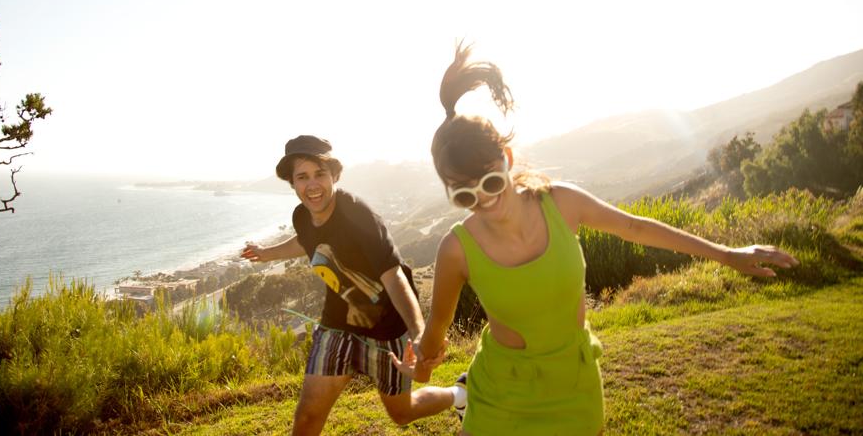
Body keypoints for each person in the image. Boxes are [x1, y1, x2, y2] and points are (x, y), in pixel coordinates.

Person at [391, 44, 799, 436]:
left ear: (508, 160)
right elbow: (437, 332)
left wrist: (727, 254)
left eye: (491, 178)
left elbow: (638, 228)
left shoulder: (561, 203)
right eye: (463, 194)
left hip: (575, 383)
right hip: (502, 389)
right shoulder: (457, 248)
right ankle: (466, 398)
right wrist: (422, 366)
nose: (482, 197)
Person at [240, 135, 465, 435]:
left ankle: (460, 395)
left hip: (387, 330)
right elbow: (305, 240)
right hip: (337, 325)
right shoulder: (302, 217)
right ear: (292, 183)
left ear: (334, 174)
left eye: (320, 174)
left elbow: (393, 275)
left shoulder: (358, 215)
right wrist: (266, 253)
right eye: (302, 177)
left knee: (402, 413)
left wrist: (419, 331)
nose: (312, 185)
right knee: (307, 417)